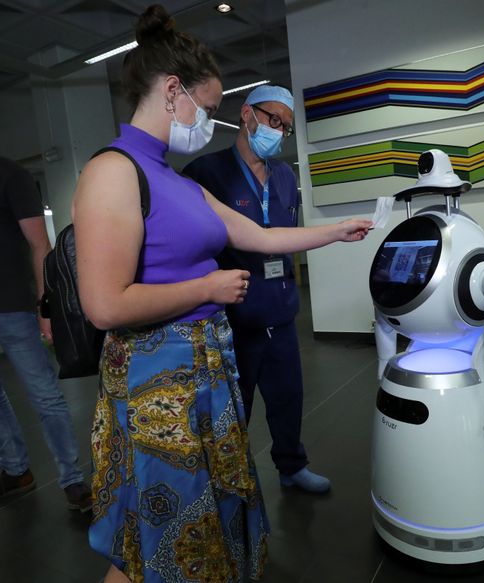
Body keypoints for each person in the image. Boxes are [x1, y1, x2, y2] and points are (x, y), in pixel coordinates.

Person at [72, 6, 371, 583]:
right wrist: (207, 287)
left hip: (204, 376)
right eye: (207, 111)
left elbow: (257, 236)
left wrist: (334, 231)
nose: (210, 123)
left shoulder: (174, 178)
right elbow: (104, 305)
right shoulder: (114, 171)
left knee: (190, 523)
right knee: (160, 530)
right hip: (157, 386)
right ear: (171, 91)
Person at [183, 85, 329, 494]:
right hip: (234, 321)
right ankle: (226, 483)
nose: (278, 132)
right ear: (247, 114)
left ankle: (291, 466)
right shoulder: (205, 174)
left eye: (284, 127)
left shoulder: (285, 176)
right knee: (232, 410)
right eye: (272, 120)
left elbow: (286, 235)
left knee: (288, 400)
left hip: (280, 313)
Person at [0, 156, 92, 513]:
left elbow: (40, 245)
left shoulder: (13, 176)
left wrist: (45, 306)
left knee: (45, 396)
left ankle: (71, 479)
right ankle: (15, 469)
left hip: (14, 306)